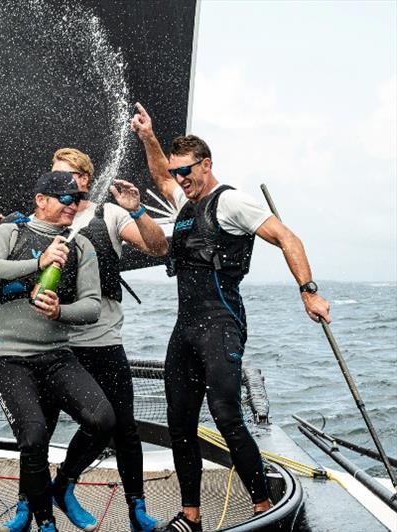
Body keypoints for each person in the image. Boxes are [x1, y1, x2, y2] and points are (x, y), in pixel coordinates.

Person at [130, 103, 331, 532]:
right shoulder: (184, 201)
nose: (181, 179)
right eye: (178, 171)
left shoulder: (231, 202)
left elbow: (286, 236)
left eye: (188, 171)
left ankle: (262, 507)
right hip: (185, 328)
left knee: (225, 414)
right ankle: (190, 517)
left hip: (221, 323)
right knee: (179, 422)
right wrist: (148, 137)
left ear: (206, 164)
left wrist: (308, 290)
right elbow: (161, 176)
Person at [0, 149, 167, 532]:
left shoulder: (108, 214)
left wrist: (136, 211)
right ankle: (26, 507)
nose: (64, 188)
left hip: (99, 337)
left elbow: (157, 247)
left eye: (70, 179)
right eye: (55, 179)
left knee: (120, 426)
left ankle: (120, 503)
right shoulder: (29, 221)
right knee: (37, 431)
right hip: (52, 344)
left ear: (85, 179)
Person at [0, 171, 116, 532]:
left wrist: (59, 311)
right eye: (65, 199)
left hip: (55, 353)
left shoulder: (80, 246)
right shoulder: (12, 232)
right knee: (34, 438)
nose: (74, 205)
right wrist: (37, 263)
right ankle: (46, 524)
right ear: (41, 200)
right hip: (7, 354)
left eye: (78, 200)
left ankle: (64, 485)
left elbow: (92, 307)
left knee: (103, 420)